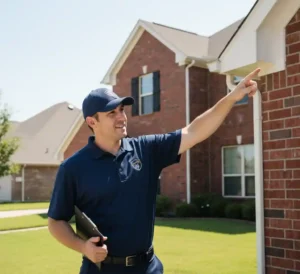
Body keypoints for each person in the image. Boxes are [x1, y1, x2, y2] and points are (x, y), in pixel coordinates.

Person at [47, 68, 260, 273]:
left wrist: (232, 97)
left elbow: (194, 131)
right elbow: (56, 221)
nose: (122, 117)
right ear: (92, 122)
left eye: (122, 110)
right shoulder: (73, 168)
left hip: (148, 268)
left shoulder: (145, 150)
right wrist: (83, 247)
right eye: (112, 113)